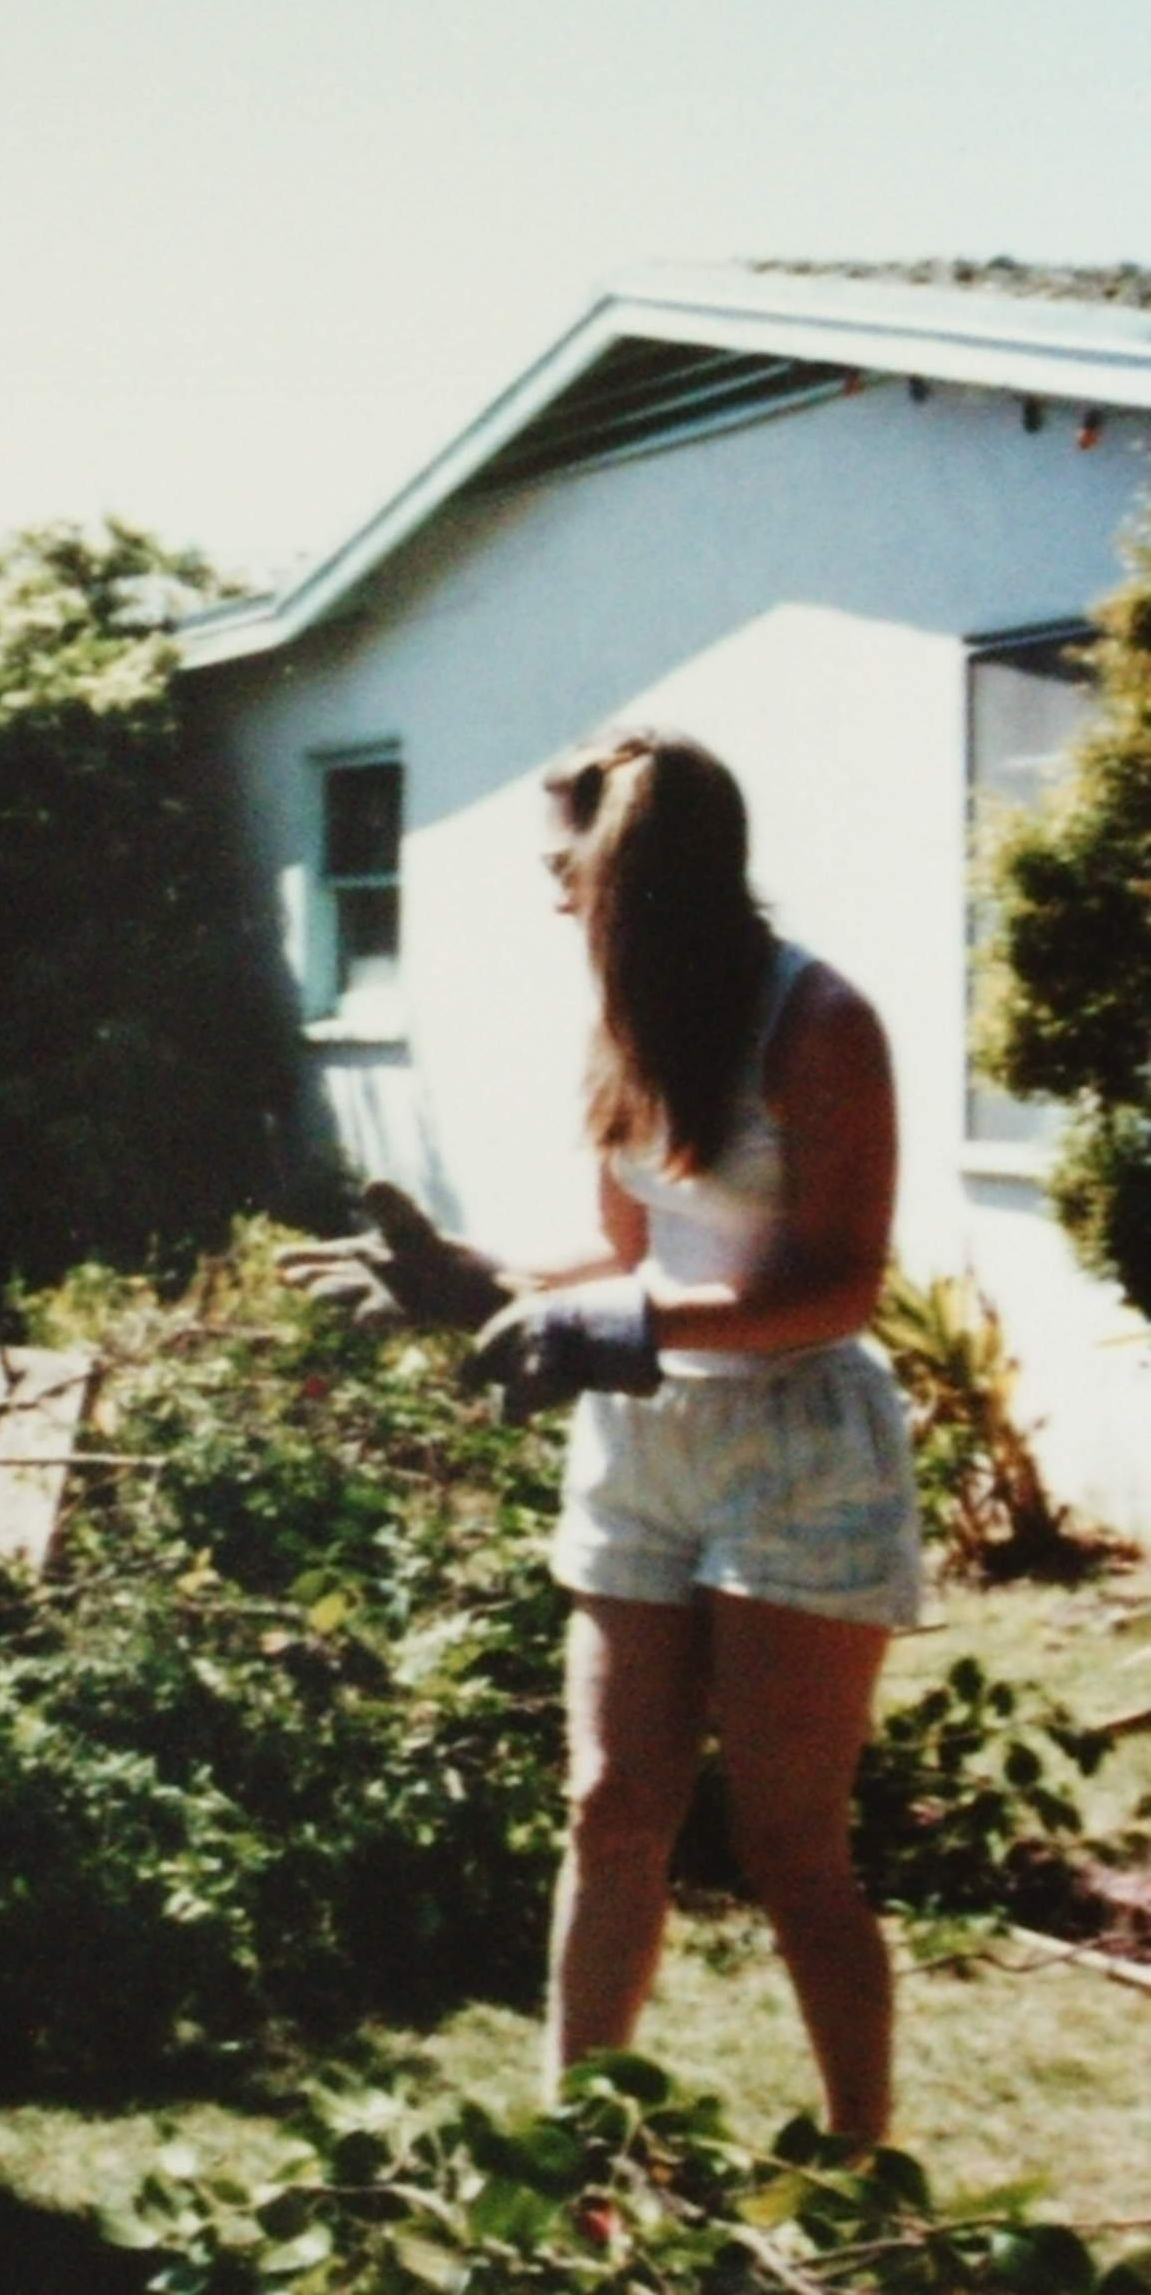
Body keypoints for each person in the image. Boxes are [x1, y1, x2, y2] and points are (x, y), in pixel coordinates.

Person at [284, 728, 918, 2148]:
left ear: (627, 864)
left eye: (565, 862)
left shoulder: (821, 1023)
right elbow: (624, 1249)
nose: (554, 892)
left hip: (799, 1447)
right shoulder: (626, 1023)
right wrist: (471, 1275)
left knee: (789, 1844)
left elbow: (838, 1284)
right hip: (644, 1440)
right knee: (610, 1806)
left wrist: (620, 1323)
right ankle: (578, 2162)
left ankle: (863, 2161)